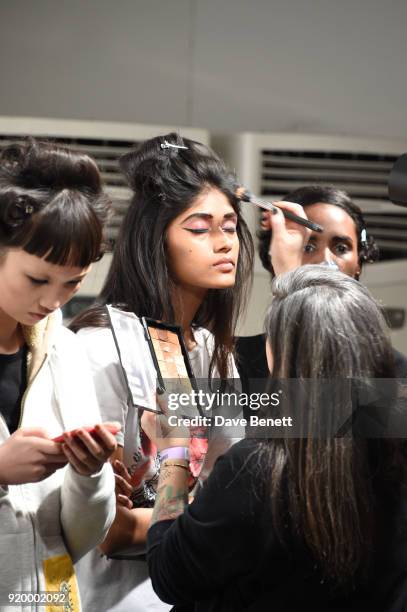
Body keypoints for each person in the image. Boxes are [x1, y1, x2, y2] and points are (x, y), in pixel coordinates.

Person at [142, 265, 407, 611]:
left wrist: (174, 453)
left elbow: (169, 574)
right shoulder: (394, 451)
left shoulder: (257, 469)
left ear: (280, 356)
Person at [70, 133, 254, 611]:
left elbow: (231, 497)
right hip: (108, 595)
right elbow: (104, 527)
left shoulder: (214, 350)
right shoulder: (100, 346)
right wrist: (201, 518)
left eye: (231, 227)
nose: (223, 243)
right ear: (157, 237)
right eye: (199, 228)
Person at [0, 140, 118, 610]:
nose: (54, 300)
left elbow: (79, 539)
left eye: (73, 282)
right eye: (37, 279)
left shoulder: (64, 350)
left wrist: (89, 475)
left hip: (51, 597)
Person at [236, 185, 407, 388]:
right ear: (277, 256)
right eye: (308, 246)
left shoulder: (393, 372)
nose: (325, 262)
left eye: (341, 248)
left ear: (358, 263)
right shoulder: (235, 362)